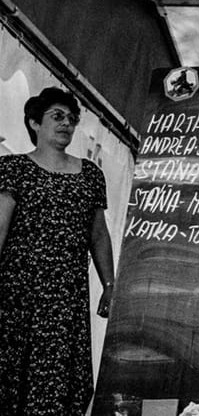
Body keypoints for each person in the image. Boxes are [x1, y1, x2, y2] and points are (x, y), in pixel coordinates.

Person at [0, 87, 115, 415]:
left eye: (72, 118)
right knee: (10, 377)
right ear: (35, 123)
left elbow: (99, 234)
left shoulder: (90, 175)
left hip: (65, 298)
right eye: (57, 116)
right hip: (17, 294)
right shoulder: (13, 168)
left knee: (57, 384)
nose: (67, 123)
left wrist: (110, 284)